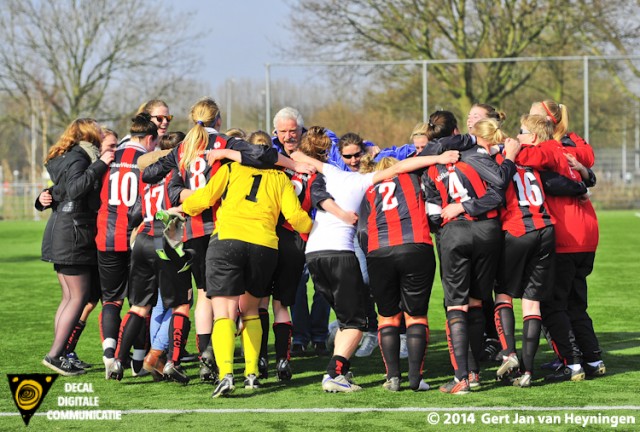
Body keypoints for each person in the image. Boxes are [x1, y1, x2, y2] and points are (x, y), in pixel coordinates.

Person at [291, 135, 458, 393]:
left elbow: (299, 157)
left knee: (373, 317)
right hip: (348, 251)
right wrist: (439, 157)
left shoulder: (333, 173)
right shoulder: (366, 181)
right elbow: (401, 168)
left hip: (314, 253)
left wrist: (300, 164)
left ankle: (372, 374)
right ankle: (336, 373)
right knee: (358, 323)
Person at [168, 140, 313, 398]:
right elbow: (296, 218)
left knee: (223, 312)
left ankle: (225, 375)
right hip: (265, 246)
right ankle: (251, 374)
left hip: (228, 242)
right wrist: (316, 227)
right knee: (251, 311)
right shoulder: (280, 178)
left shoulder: (231, 169)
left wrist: (182, 207)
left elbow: (203, 199)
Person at [420, 111, 519, 394]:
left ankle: (462, 377)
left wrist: (454, 211)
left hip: (455, 234)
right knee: (477, 302)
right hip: (487, 230)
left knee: (456, 305)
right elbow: (497, 193)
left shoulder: (429, 168)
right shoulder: (476, 158)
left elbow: (433, 216)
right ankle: (475, 374)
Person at [473, 116, 565, 388]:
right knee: (532, 302)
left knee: (502, 294)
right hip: (546, 229)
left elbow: (497, 188)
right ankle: (527, 372)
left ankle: (510, 353)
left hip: (516, 229)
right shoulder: (532, 158)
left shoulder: (502, 159)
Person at [107, 114, 192, 384]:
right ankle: (170, 362)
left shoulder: (150, 172)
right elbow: (178, 206)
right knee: (182, 303)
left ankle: (118, 361)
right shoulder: (177, 171)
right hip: (168, 235)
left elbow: (140, 211)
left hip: (143, 235)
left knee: (141, 306)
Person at [529, 100, 604, 381]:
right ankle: (593, 360)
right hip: (585, 233)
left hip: (566, 234)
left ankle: (571, 362)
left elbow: (529, 162)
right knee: (574, 303)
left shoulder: (549, 149)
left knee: (553, 304)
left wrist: (510, 150)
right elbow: (585, 164)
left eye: (531, 119)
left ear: (545, 122)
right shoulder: (564, 150)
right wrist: (585, 177)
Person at [40, 118, 114, 376]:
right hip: (74, 232)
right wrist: (101, 165)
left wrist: (43, 198)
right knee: (78, 297)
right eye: (98, 127)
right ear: (87, 133)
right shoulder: (81, 157)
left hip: (63, 230)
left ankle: (59, 353)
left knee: (70, 298)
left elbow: (60, 190)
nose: (102, 130)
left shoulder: (66, 156)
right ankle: (55, 355)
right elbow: (74, 189)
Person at [357, 154, 436, 392]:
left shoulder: (369, 189)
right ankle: (415, 378)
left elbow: (362, 230)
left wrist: (371, 253)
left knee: (387, 317)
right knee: (416, 316)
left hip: (379, 251)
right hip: (415, 246)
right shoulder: (413, 179)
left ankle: (392, 377)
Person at [271, 107, 331, 357]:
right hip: (286, 231)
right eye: (283, 131)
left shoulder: (314, 149)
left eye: (292, 131)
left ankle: (319, 334)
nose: (288, 136)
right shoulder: (271, 154)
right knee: (293, 285)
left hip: (317, 226)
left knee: (323, 285)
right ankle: (299, 336)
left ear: (301, 130)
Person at [143, 131, 186, 380]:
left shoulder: (153, 171)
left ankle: (154, 355)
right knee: (179, 298)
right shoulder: (178, 172)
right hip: (173, 231)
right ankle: (157, 351)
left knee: (160, 299)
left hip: (151, 232)